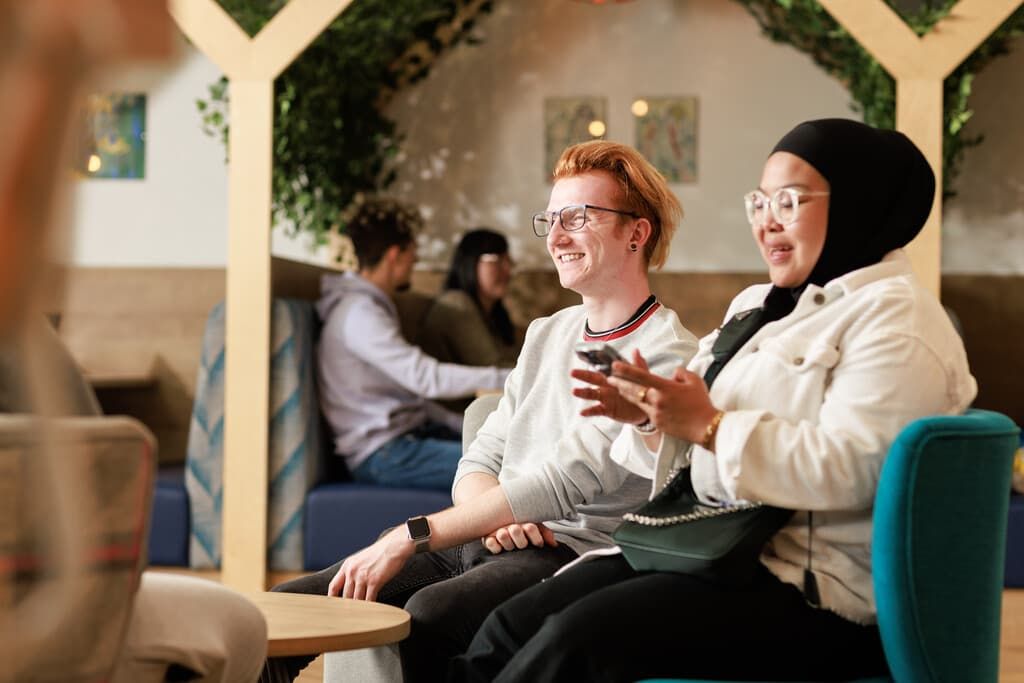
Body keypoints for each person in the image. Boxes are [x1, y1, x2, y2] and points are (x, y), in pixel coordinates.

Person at [452, 119, 978, 682]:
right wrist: (651, 417)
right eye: (759, 202)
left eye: (789, 201)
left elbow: (853, 470)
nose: (766, 221)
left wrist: (708, 427)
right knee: (508, 627)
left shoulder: (898, 319)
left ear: (858, 203)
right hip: (704, 552)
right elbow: (681, 433)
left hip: (811, 591)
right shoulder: (759, 306)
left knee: (567, 643)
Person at [260, 140, 699, 683]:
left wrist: (412, 534)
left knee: (429, 618)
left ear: (637, 232)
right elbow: (485, 449)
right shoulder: (547, 333)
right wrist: (495, 515)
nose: (557, 237)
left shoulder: (667, 355)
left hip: (567, 552)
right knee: (284, 607)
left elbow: (568, 480)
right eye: (552, 219)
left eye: (579, 218)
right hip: (493, 536)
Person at [317, 197, 510, 491]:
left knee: (512, 446)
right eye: (413, 254)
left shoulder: (371, 308)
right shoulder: (359, 314)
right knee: (508, 462)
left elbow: (410, 398)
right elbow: (425, 379)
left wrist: (462, 424)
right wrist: (508, 376)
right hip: (386, 455)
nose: (415, 262)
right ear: (395, 255)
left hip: (407, 439)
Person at [419, 228, 521, 369]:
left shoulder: (494, 313)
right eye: (497, 260)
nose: (508, 269)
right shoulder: (456, 304)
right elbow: (492, 366)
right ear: (470, 262)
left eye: (509, 261)